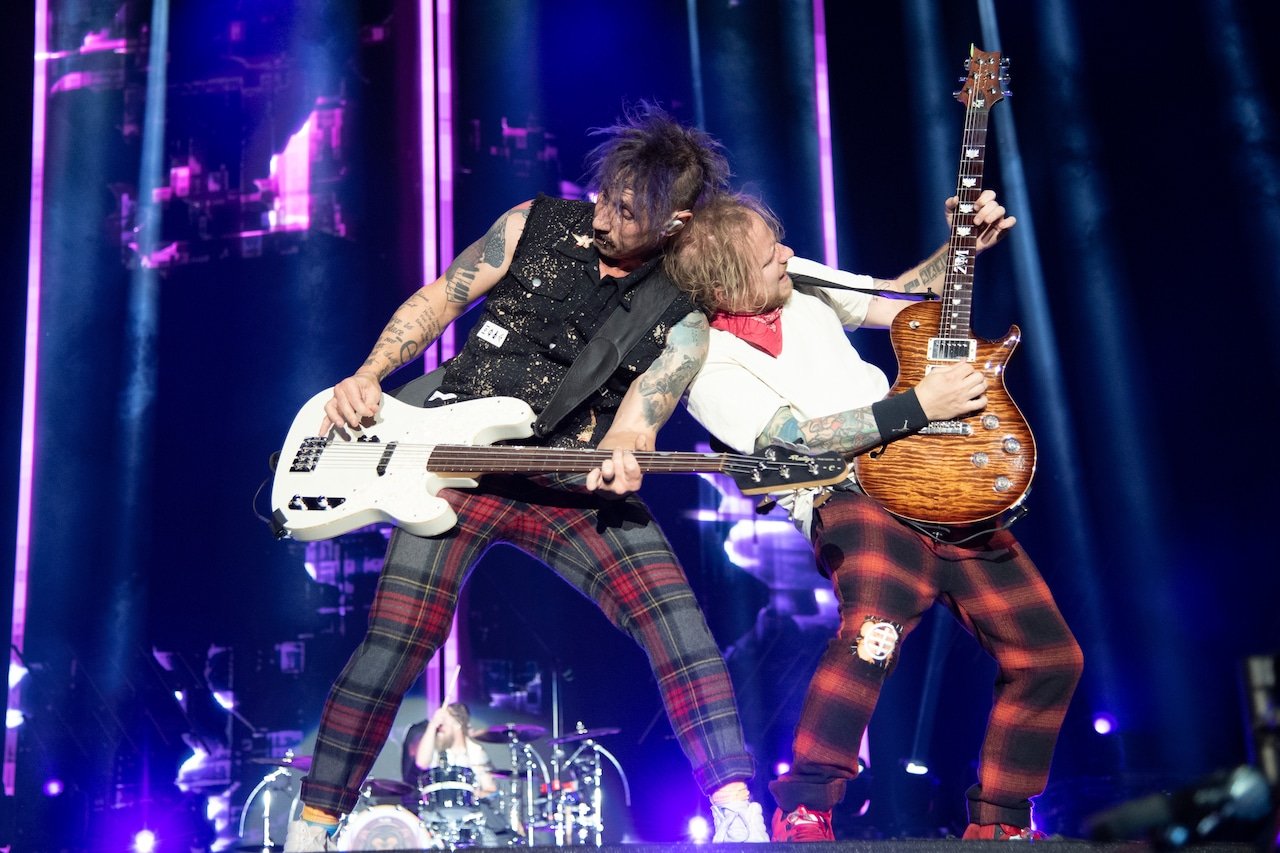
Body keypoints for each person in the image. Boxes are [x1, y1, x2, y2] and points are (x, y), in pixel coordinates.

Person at [282, 104, 767, 852]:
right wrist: (370, 374)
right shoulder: (531, 224)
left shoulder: (681, 313)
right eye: (604, 197)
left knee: (676, 621)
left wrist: (625, 453)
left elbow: (642, 415)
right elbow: (441, 297)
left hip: (566, 481)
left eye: (627, 212)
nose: (602, 218)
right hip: (450, 460)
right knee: (397, 640)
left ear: (673, 223)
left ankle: (737, 809)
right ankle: (313, 824)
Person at [668, 192, 1084, 842]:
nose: (787, 254)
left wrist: (962, 247)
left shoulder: (797, 281)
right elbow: (795, 440)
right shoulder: (704, 365)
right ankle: (807, 804)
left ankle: (1000, 822)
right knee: (874, 629)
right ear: (726, 285)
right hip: (848, 495)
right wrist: (917, 405)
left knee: (1049, 655)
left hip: (934, 475)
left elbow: (905, 302)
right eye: (770, 254)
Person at [401, 703, 497, 794]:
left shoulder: (475, 752)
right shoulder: (436, 748)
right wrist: (432, 725)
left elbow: (490, 789)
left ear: (458, 724)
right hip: (435, 804)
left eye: (443, 724)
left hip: (468, 805)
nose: (439, 728)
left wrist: (475, 796)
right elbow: (421, 763)